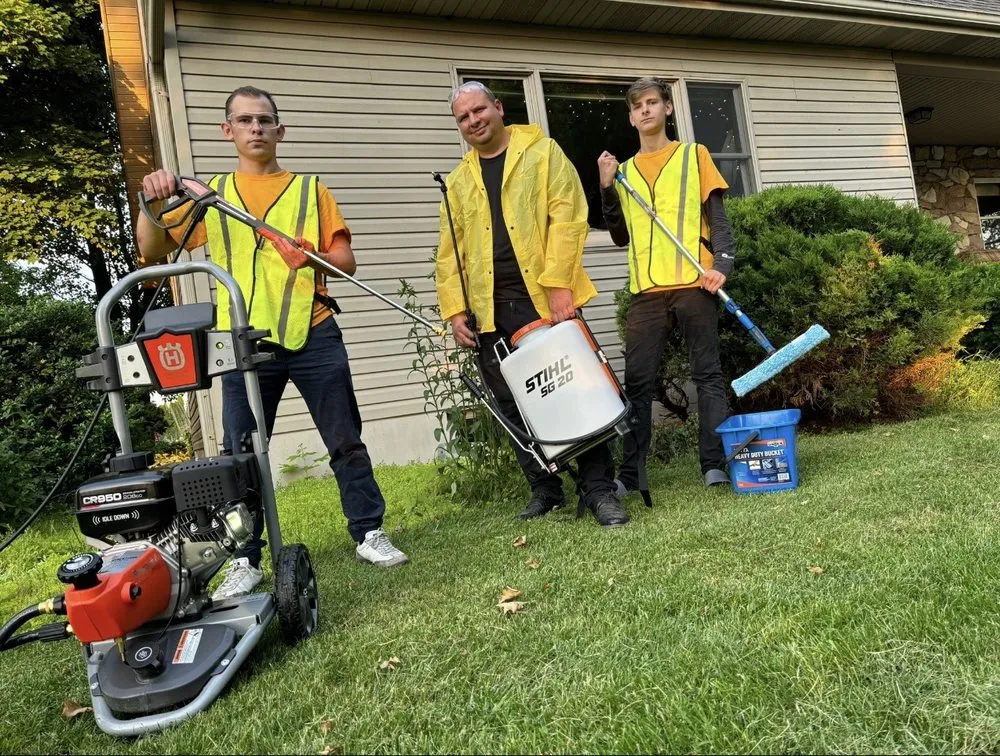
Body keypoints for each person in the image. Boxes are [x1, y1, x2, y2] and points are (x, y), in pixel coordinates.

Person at [136, 85, 409, 600]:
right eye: (245, 120)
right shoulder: (209, 196)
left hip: (314, 332)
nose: (255, 128)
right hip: (243, 345)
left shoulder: (310, 190)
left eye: (264, 120)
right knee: (240, 454)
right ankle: (245, 558)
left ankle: (369, 532)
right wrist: (152, 198)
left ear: (280, 130)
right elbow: (151, 248)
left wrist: (313, 256)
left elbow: (346, 263)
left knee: (345, 440)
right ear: (228, 130)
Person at [435, 81, 629, 528]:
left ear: (498, 108)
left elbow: (568, 217)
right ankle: (545, 488)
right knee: (511, 404)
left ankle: (599, 491)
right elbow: (450, 251)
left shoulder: (542, 153)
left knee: (575, 391)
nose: (473, 121)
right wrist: (455, 311)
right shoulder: (459, 181)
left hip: (541, 296)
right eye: (463, 117)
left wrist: (560, 285)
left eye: (479, 110)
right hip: (488, 309)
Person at [597, 76, 736, 498]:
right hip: (647, 291)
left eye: (652, 102)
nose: (645, 110)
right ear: (631, 117)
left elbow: (718, 220)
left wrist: (723, 265)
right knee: (637, 384)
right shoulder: (623, 173)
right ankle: (631, 475)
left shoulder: (695, 156)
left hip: (695, 283)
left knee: (707, 375)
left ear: (667, 108)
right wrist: (606, 188)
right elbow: (619, 235)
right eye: (637, 105)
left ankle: (714, 465)